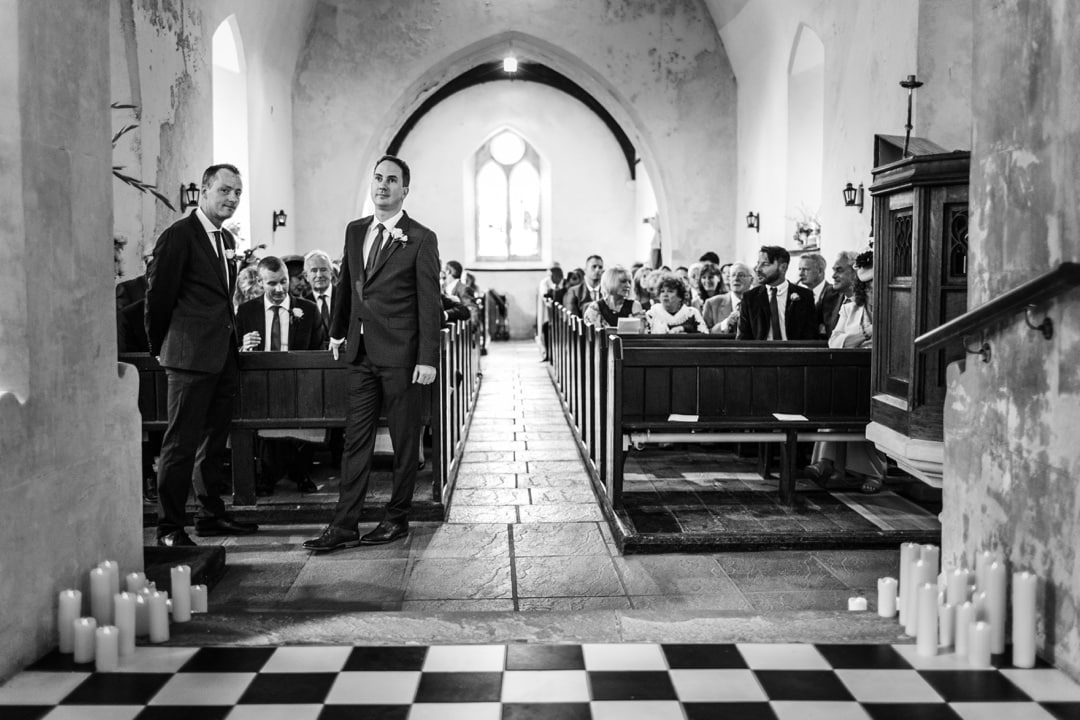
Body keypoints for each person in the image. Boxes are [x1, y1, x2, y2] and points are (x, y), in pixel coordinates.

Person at [304, 155, 440, 553]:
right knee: (355, 441)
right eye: (378, 178)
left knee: (403, 442)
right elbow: (347, 284)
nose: (382, 185)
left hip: (401, 356)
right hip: (360, 352)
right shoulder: (355, 230)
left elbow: (429, 303)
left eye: (391, 180)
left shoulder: (420, 238)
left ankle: (396, 518)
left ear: (404, 189)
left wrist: (427, 358)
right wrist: (335, 332)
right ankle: (343, 524)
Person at [144, 163, 258, 547]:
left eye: (238, 192)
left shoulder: (225, 238)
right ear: (204, 190)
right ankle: (169, 528)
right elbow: (158, 296)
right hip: (188, 357)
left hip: (222, 355)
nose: (232, 198)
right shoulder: (179, 236)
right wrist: (160, 348)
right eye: (225, 190)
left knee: (213, 442)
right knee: (180, 444)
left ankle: (210, 515)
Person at [236, 256, 325, 494]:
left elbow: (319, 350)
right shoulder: (246, 312)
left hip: (299, 383)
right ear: (260, 282)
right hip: (260, 384)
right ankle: (267, 475)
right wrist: (243, 346)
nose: (279, 289)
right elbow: (233, 351)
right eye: (272, 283)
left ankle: (301, 472)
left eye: (283, 281)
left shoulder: (308, 309)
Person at [805, 249, 885, 493]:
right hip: (850, 372)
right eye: (866, 286)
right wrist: (864, 334)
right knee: (836, 405)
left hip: (878, 376)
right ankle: (827, 463)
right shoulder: (851, 309)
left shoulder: (891, 310)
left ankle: (870, 472)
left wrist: (854, 341)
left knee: (861, 414)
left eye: (873, 285)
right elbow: (835, 341)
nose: (870, 290)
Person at [736, 245, 817, 341]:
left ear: (783, 267)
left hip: (793, 349)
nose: (758, 269)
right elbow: (743, 338)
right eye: (758, 263)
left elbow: (810, 336)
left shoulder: (805, 296)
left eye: (765, 264)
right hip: (760, 350)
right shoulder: (750, 298)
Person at [798, 252, 841, 339]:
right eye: (799, 269)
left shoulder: (836, 294)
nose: (800, 274)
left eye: (805, 269)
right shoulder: (799, 294)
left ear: (820, 271)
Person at [702, 261, 752, 333]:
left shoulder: (760, 303)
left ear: (751, 280)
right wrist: (725, 324)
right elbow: (705, 333)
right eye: (733, 275)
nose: (736, 279)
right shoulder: (712, 303)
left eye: (741, 275)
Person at [304, 250, 337, 347]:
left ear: (331, 273)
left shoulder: (345, 297)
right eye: (314, 270)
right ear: (306, 276)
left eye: (323, 270)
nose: (319, 275)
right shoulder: (303, 304)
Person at [824, 250, 858, 335]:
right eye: (834, 270)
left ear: (855, 272)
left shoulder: (870, 299)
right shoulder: (830, 295)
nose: (833, 276)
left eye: (839, 270)